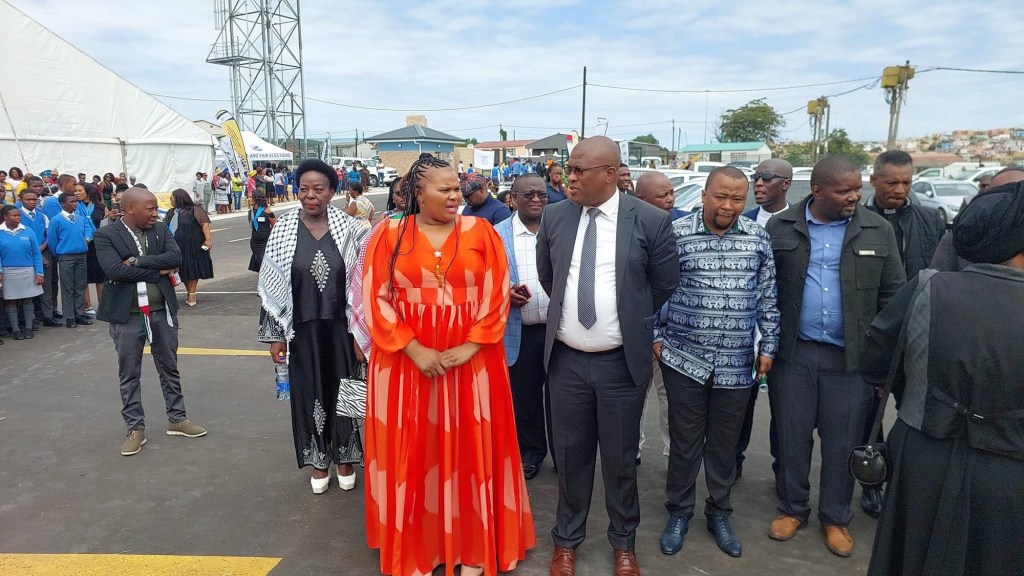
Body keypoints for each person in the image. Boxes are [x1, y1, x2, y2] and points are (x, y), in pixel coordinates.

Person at [362, 153, 535, 576]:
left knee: (471, 451)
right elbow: (375, 297)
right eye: (446, 189)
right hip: (406, 364)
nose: (457, 195)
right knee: (414, 452)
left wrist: (473, 345)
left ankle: (474, 548)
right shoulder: (388, 235)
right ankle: (418, 549)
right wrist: (413, 348)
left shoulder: (482, 232)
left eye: (458, 187)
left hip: (473, 362)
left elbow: (497, 292)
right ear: (418, 194)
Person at [861, 182, 1024, 575]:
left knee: (913, 555)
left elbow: (875, 362)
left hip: (924, 456)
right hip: (1010, 471)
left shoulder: (926, 286)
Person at [536, 136, 679, 576]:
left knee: (620, 462)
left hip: (620, 364)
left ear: (611, 174)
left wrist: (628, 320)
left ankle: (623, 544)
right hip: (566, 363)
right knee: (570, 458)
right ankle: (566, 541)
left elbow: (664, 283)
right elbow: (548, 275)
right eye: (569, 169)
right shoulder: (556, 216)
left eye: (579, 170)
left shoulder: (650, 220)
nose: (570, 177)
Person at [765, 156, 905, 558]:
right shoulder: (781, 226)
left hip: (851, 361)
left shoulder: (877, 229)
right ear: (817, 191)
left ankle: (835, 517)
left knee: (842, 442)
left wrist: (882, 366)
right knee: (791, 436)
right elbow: (766, 289)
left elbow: (893, 299)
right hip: (795, 355)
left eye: (857, 188)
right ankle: (793, 508)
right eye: (844, 190)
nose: (854, 196)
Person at [654, 167, 779, 559]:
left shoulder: (757, 236)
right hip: (683, 359)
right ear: (704, 195)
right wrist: (655, 335)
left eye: (737, 199)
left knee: (725, 446)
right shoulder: (676, 234)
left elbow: (767, 294)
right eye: (721, 196)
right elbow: (656, 287)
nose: (728, 206)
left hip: (737, 363)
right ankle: (679, 512)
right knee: (685, 443)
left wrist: (769, 345)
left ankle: (719, 513)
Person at [257, 159, 366, 494]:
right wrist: (276, 337)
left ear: (332, 191)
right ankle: (319, 459)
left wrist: (362, 335)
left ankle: (345, 457)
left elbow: (364, 283)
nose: (310, 195)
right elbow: (271, 283)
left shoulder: (353, 229)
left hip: (343, 329)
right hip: (301, 329)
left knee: (346, 390)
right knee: (309, 392)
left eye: (318, 189)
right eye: (304, 189)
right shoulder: (283, 230)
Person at [858, 149, 946, 516]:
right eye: (891, 182)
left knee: (915, 415)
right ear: (874, 180)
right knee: (869, 417)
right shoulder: (858, 219)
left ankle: (906, 487)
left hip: (919, 335)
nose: (899, 189)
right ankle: (871, 483)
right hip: (875, 335)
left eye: (906, 182)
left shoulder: (930, 219)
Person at [94, 187, 207, 456]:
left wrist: (137, 262)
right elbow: (114, 270)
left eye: (156, 208)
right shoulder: (106, 234)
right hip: (127, 316)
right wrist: (157, 271)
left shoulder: (160, 229)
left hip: (161, 312)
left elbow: (176, 257)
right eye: (151, 208)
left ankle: (177, 419)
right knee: (129, 373)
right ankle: (135, 428)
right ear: (129, 208)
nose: (156, 213)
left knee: (169, 367)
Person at [736, 159, 793, 482]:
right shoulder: (742, 222)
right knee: (741, 404)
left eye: (766, 178)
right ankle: (733, 461)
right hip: (747, 333)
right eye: (755, 177)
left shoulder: (801, 224)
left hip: (786, 331)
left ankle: (782, 468)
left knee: (785, 409)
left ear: (786, 184)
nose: (758, 183)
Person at [495, 173, 554, 480]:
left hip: (559, 331)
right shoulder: (496, 235)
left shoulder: (559, 229)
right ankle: (531, 454)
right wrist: (504, 295)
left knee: (561, 399)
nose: (536, 200)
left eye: (542, 194)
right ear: (513, 199)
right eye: (529, 195)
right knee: (525, 399)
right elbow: (484, 281)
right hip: (520, 332)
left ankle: (565, 457)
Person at [930, 166, 1024, 272]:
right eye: (998, 195)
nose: (1007, 203)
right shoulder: (957, 240)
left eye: (1017, 196)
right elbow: (940, 278)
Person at [48, 191, 95, 328]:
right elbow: (52, 240)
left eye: (76, 201)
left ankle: (80, 313)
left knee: (80, 286)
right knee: (67, 288)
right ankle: (69, 316)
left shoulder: (80, 218)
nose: (75, 204)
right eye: (72, 202)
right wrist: (58, 254)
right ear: (63, 204)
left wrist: (87, 239)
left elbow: (88, 230)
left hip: (81, 255)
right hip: (66, 256)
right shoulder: (56, 220)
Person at [18, 184, 60, 329]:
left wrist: (41, 249)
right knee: (27, 286)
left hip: (44, 251)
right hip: (24, 254)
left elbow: (49, 235)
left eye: (34, 199)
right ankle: (30, 317)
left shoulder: (42, 216)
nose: (32, 202)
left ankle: (47, 315)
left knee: (46, 285)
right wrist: (36, 252)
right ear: (21, 200)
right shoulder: (17, 215)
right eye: (28, 199)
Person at [0, 205, 44, 341]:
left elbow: (36, 253)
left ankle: (29, 328)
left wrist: (39, 272)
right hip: (7, 272)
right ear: (5, 217)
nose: (18, 217)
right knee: (10, 300)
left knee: (28, 299)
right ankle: (16, 330)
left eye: (19, 215)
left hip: (27, 270)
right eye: (14, 215)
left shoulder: (28, 231)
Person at [164, 189, 213, 308]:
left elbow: (205, 224)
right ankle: (189, 291)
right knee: (183, 269)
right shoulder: (170, 212)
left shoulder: (195, 209)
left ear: (180, 198)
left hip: (193, 244)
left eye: (172, 197)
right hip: (176, 245)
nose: (171, 199)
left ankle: (192, 293)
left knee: (192, 267)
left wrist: (208, 239)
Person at [75, 182, 108, 317]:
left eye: (79, 190)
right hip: (83, 244)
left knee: (101, 276)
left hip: (98, 245)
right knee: (84, 277)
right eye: (75, 191)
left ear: (88, 191)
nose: (76, 193)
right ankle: (87, 305)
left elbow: (107, 224)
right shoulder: (74, 206)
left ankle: (103, 305)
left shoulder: (101, 207)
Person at [247, 189, 276, 273]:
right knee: (258, 261)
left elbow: (274, 225)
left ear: (257, 198)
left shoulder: (267, 211)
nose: (248, 199)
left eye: (250, 197)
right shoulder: (250, 212)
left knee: (263, 261)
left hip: (265, 241)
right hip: (255, 241)